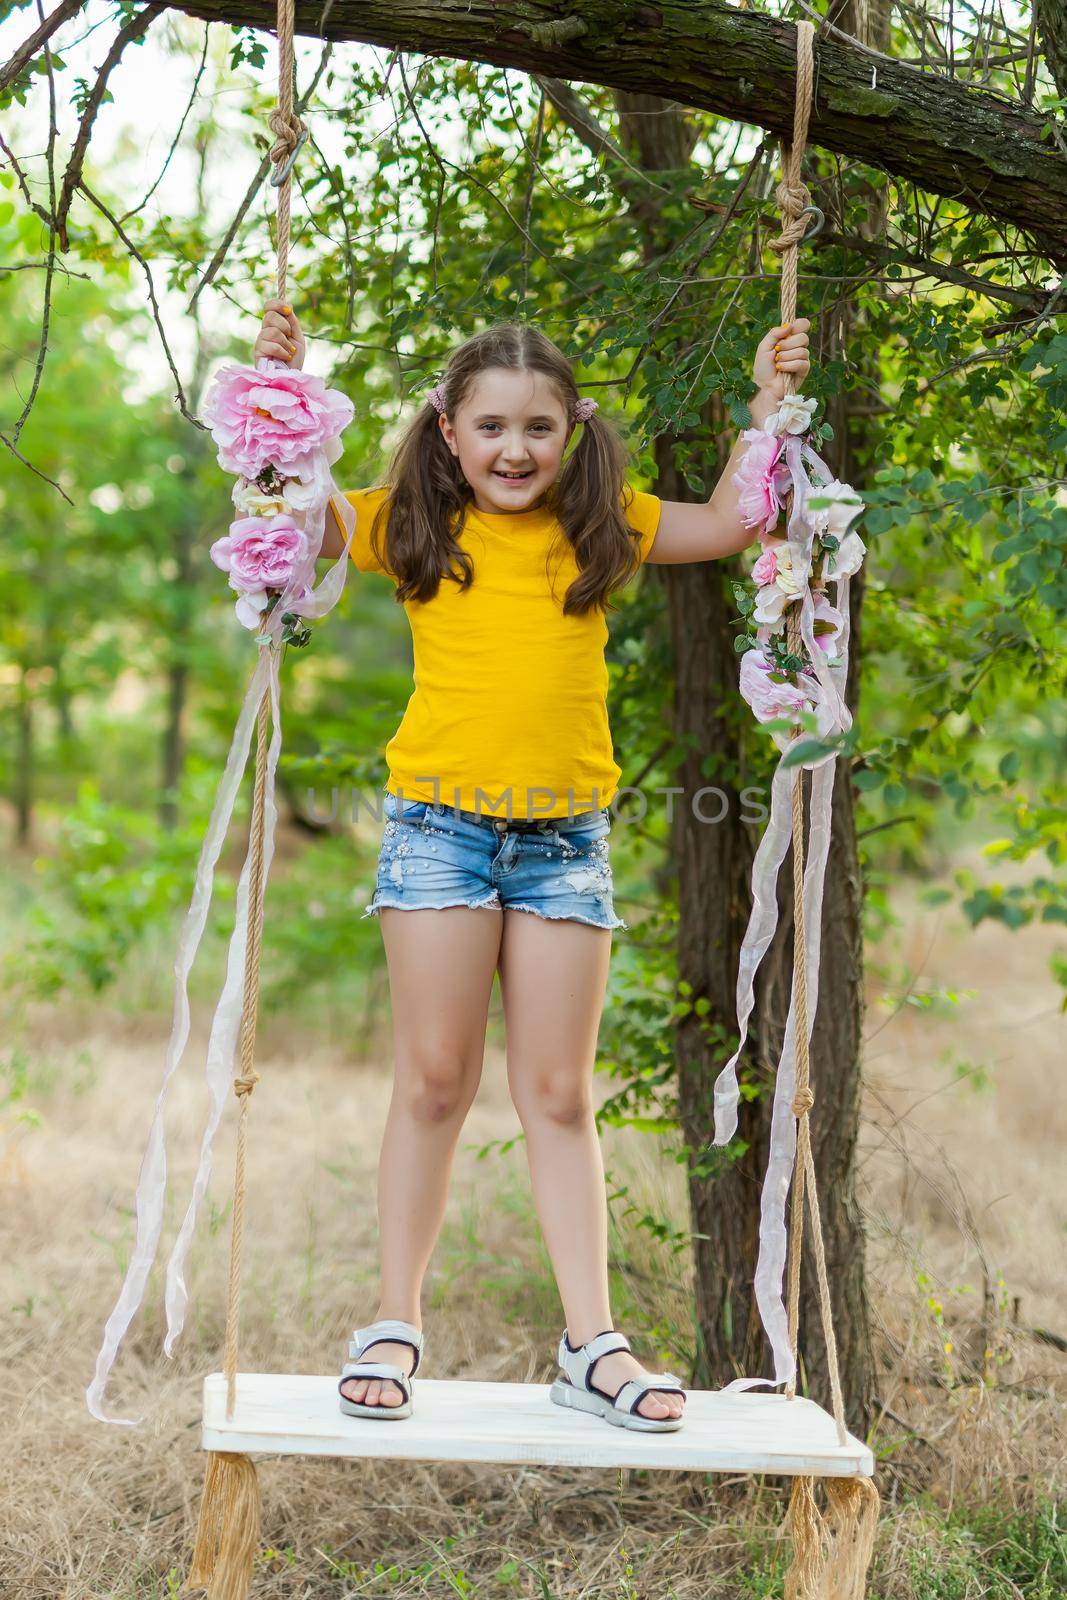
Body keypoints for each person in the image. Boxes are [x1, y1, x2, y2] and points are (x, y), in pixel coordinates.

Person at [252, 307, 810, 1433]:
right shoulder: (404, 524)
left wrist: (765, 405)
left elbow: (729, 521)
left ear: (572, 431)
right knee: (435, 1080)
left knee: (556, 1093)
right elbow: (284, 519)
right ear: (447, 430)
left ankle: (589, 1345)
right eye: (492, 426)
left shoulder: (600, 525)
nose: (515, 449)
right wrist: (281, 393)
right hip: (439, 831)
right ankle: (393, 1321)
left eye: (538, 427)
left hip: (564, 843)